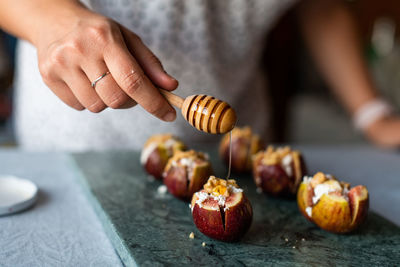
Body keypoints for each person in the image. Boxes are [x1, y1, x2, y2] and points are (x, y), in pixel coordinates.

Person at [0, 0, 398, 150]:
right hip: (85, 136)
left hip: (234, 136)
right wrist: (53, 19)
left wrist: (372, 115)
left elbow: (321, 7)